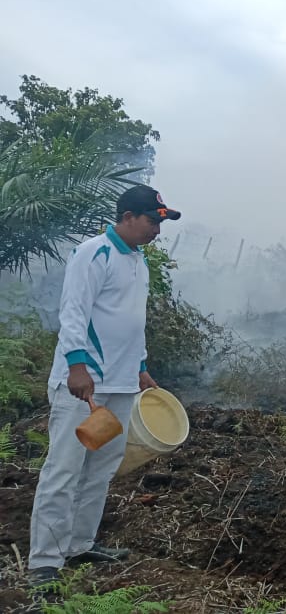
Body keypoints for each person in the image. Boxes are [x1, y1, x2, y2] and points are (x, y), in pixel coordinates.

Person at [27, 185, 181, 586]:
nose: (156, 231)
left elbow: (132, 320)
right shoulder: (93, 252)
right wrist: (77, 366)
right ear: (128, 217)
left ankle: (79, 545)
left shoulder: (138, 260)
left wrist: (141, 366)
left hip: (123, 381)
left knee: (102, 466)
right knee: (64, 467)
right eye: (152, 221)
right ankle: (45, 561)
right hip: (85, 383)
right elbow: (74, 310)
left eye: (160, 223)